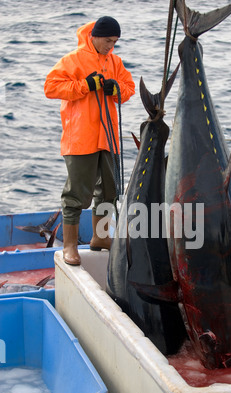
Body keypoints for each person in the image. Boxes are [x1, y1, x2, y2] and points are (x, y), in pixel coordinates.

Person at [44, 16, 135, 266]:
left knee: (109, 191)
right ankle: (70, 247)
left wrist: (116, 88)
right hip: (81, 138)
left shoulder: (115, 61)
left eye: (115, 41)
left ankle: (100, 237)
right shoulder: (72, 59)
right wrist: (84, 85)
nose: (110, 46)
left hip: (108, 139)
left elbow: (129, 88)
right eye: (108, 40)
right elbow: (50, 87)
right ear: (95, 36)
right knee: (76, 195)